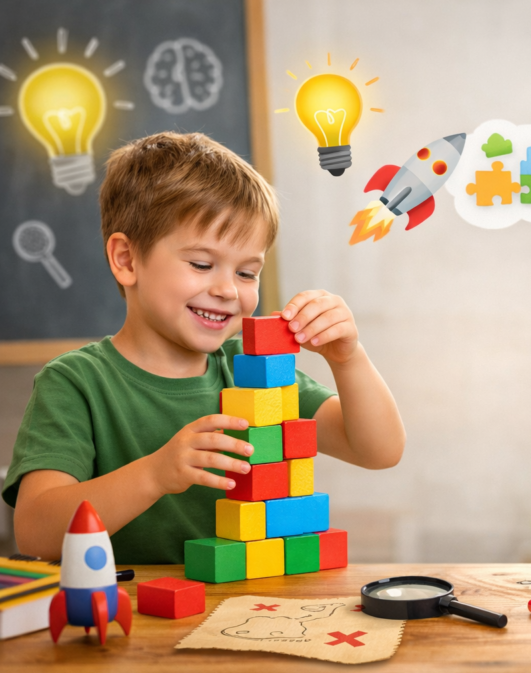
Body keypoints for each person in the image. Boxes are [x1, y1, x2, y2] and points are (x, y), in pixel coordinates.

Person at [4, 132, 405, 563]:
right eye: (201, 264)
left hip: (249, 610)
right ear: (126, 259)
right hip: (133, 620)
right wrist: (155, 474)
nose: (228, 290)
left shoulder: (249, 369)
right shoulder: (75, 383)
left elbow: (378, 450)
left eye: (247, 273)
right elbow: (35, 533)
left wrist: (349, 358)